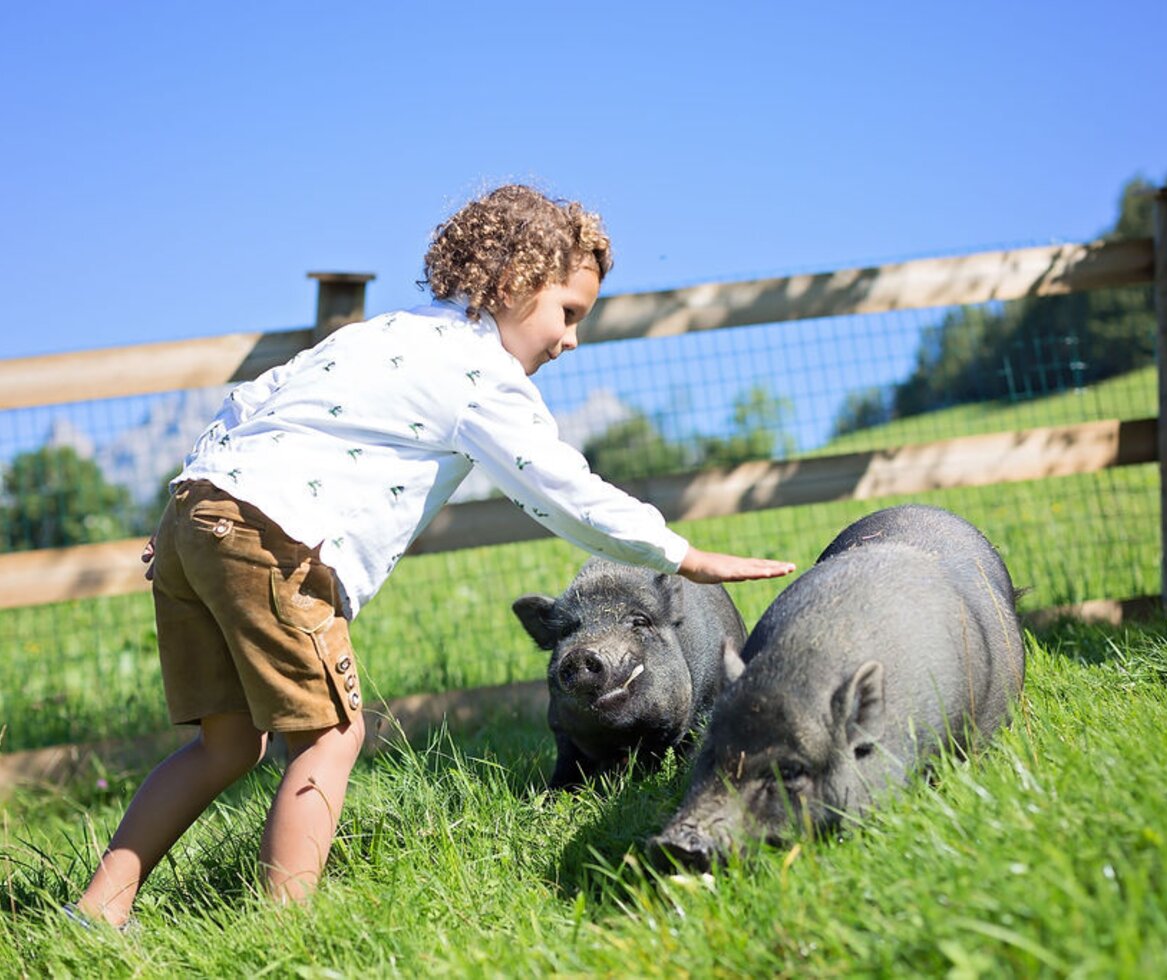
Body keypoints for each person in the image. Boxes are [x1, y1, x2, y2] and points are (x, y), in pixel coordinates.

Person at [69, 184, 795, 928]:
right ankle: (284, 930)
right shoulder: (482, 376)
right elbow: (561, 488)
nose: (572, 338)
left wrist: (184, 505)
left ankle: (100, 908)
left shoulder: (381, 333)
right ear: (514, 284)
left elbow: (253, 400)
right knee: (330, 734)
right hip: (274, 540)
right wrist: (680, 553)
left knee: (225, 745)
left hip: (198, 512)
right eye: (568, 313)